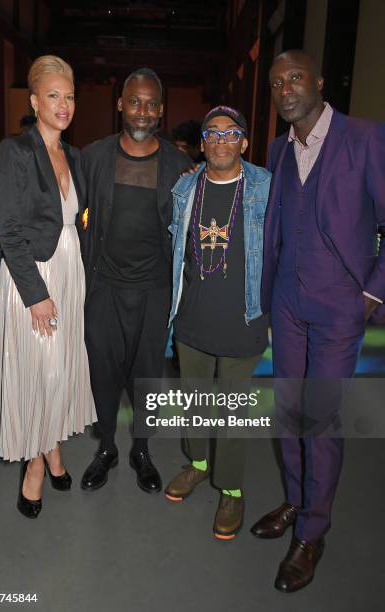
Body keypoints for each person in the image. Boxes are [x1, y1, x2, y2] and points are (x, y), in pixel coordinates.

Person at [251, 50, 385, 592]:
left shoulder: (366, 138)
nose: (286, 87)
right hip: (287, 303)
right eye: (277, 81)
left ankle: (313, 531)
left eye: (295, 77)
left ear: (320, 81)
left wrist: (372, 293)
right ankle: (296, 499)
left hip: (340, 306)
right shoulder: (278, 148)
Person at [0, 55, 97, 518]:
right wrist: (36, 294)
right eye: (53, 95)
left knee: (64, 367)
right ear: (35, 101)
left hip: (69, 269)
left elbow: (81, 220)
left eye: (70, 96)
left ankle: (52, 446)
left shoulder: (74, 157)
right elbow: (11, 230)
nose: (64, 104)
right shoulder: (15, 151)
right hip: (33, 275)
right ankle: (34, 465)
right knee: (42, 372)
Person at [80, 68, 191, 495]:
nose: (142, 112)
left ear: (160, 109)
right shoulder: (94, 157)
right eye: (134, 102)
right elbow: (72, 215)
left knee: (147, 376)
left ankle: (141, 450)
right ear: (120, 104)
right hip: (103, 287)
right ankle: (106, 447)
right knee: (103, 373)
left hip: (154, 290)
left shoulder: (179, 166)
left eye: (150, 104)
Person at [164, 106, 271, 539]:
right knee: (193, 402)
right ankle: (197, 464)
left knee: (232, 411)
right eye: (213, 133)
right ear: (203, 142)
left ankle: (230, 487)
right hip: (192, 319)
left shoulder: (265, 186)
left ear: (244, 142)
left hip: (243, 319)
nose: (222, 141)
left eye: (232, 134)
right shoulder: (185, 187)